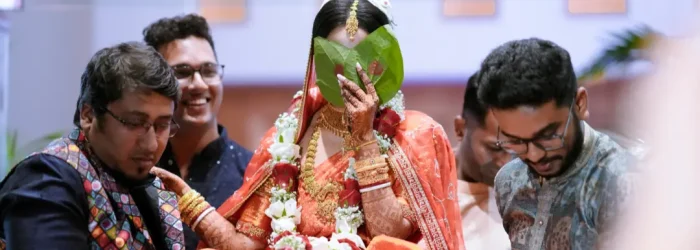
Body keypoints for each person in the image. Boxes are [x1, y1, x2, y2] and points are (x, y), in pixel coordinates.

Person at [151, 0, 464, 249]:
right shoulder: (289, 134)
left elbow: (389, 235)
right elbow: (246, 243)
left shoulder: (416, 136)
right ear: (317, 58)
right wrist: (187, 199)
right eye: (336, 60)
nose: (351, 74)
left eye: (364, 60)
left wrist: (366, 138)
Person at [0, 42, 185, 249]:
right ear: (88, 115)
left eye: (162, 125)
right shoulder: (49, 179)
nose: (151, 144)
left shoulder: (152, 185)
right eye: (134, 123)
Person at [477, 38, 637, 249]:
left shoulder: (622, 183)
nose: (534, 155)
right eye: (515, 141)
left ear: (579, 104)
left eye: (548, 136)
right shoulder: (508, 181)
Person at [143, 14, 253, 250]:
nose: (199, 84)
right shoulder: (136, 168)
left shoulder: (253, 174)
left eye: (209, 70)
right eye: (182, 72)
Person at [449, 72, 511, 249]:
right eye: (495, 148)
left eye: (515, 149)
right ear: (460, 129)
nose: (506, 162)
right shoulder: (416, 180)